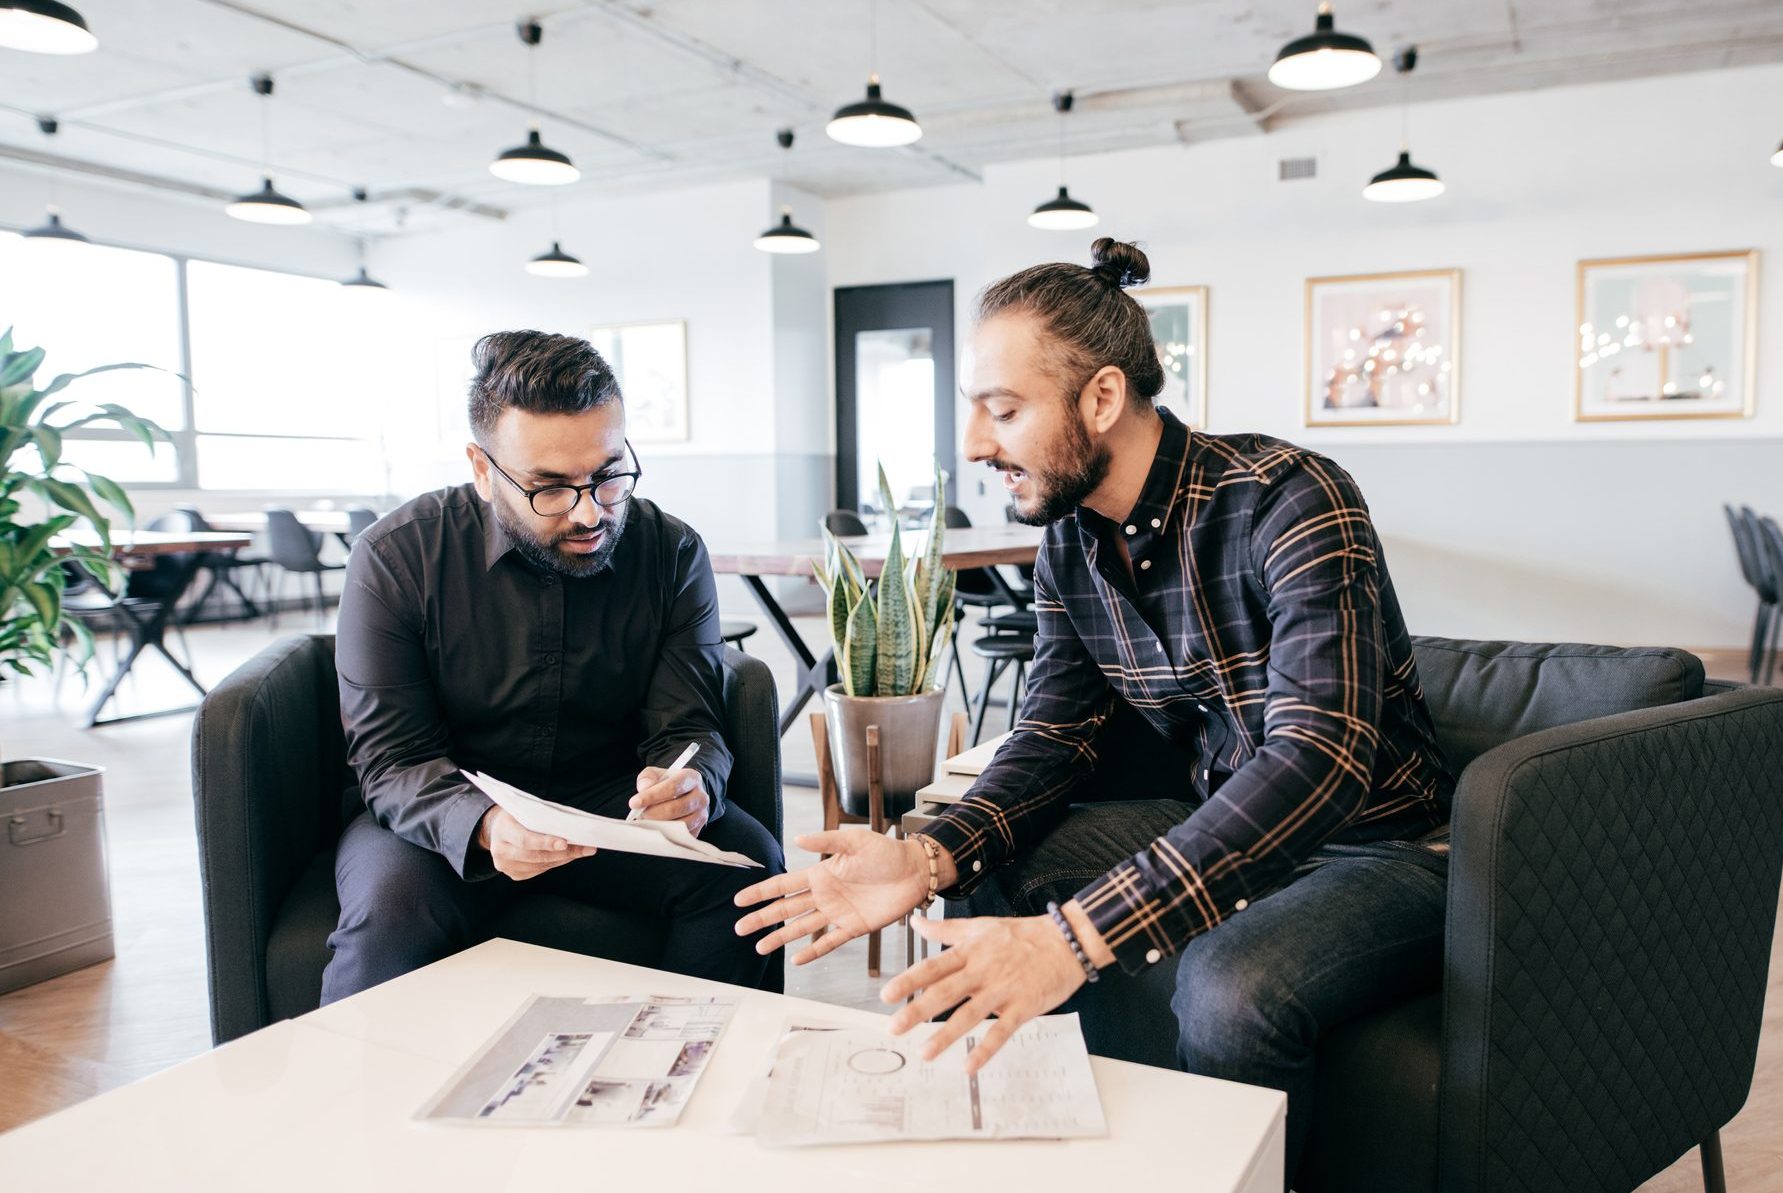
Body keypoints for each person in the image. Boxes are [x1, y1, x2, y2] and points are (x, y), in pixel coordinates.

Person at [734, 239, 1454, 1168]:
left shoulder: (1291, 499)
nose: (975, 445)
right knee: (984, 873)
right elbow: (1055, 733)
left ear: (1102, 398)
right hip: (1218, 822)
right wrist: (929, 850)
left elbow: (1318, 755)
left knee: (1230, 992)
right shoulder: (1071, 544)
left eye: (1004, 409)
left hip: (1383, 846)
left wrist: (1078, 937)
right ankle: (1040, 1151)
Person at [324, 330, 783, 1002]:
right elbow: (391, 759)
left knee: (747, 871)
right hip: (441, 810)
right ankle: (350, 1106)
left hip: (609, 805)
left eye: (608, 474)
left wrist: (694, 785)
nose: (590, 511)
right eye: (550, 488)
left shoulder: (671, 551)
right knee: (392, 911)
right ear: (483, 469)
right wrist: (481, 825)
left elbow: (688, 724)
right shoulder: (397, 556)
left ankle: (692, 1085)